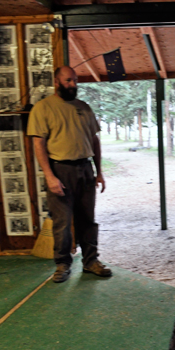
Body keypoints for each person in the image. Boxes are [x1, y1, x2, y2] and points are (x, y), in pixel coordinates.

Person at [27, 66, 111, 283]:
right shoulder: (43, 108)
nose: (73, 85)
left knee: (88, 219)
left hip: (85, 169)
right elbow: (39, 144)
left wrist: (99, 172)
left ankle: (91, 261)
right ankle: (63, 264)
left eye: (75, 80)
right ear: (56, 82)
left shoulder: (84, 108)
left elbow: (94, 141)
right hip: (60, 170)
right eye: (68, 81)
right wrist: (49, 176)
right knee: (62, 222)